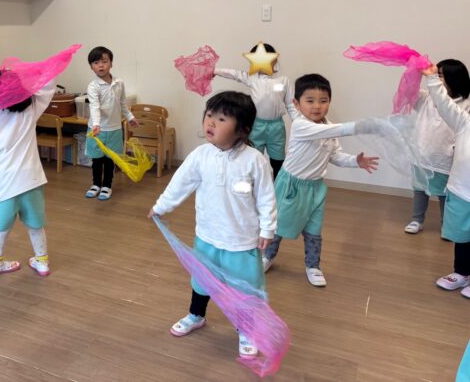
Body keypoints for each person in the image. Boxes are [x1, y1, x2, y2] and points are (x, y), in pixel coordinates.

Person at [148, 91, 276, 358]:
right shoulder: (200, 155)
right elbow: (180, 183)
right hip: (207, 236)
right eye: (209, 115)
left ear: (243, 129)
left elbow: (266, 197)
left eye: (221, 119)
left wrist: (267, 229)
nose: (211, 122)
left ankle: (246, 328)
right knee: (202, 280)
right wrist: (161, 206)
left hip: (241, 242)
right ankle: (197, 315)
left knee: (244, 287)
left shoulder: (255, 160)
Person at [262, 74, 379, 287]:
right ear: (296, 104)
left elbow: (335, 155)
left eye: (323, 100)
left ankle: (313, 266)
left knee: (314, 229)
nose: (317, 106)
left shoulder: (328, 127)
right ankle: (267, 256)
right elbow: (332, 131)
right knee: (278, 225)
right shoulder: (300, 125)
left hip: (315, 188)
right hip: (291, 185)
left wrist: (355, 161)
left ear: (329, 102)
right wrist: (359, 126)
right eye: (310, 100)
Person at [0, 71, 55, 276]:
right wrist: (32, 73)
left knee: (1, 227)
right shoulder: (28, 112)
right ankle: (42, 261)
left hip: (1, 184)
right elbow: (48, 86)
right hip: (30, 180)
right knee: (36, 224)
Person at [404, 60, 470, 235]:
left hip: (444, 159)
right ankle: (417, 220)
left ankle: (445, 224)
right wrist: (413, 73)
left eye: (439, 75)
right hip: (422, 155)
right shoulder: (426, 97)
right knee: (420, 190)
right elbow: (408, 93)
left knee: (444, 194)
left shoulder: (465, 105)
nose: (435, 78)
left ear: (453, 78)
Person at [214, 43, 297, 179]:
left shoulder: (283, 81)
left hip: (276, 128)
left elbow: (290, 104)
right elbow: (234, 74)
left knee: (278, 160)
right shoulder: (252, 79)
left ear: (274, 60)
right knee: (253, 158)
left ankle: (278, 187)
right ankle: (253, 185)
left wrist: (298, 122)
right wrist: (215, 71)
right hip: (256, 126)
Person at [424, 64, 470, 300]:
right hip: (461, 190)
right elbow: (444, 104)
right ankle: (461, 272)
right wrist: (433, 78)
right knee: (461, 237)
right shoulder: (464, 121)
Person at [84, 46, 137, 200]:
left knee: (110, 159)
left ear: (111, 63)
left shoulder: (119, 83)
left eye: (104, 61)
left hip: (114, 129)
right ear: (91, 67)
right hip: (96, 129)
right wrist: (97, 124)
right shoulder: (93, 86)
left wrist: (130, 117)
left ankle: (107, 186)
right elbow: (94, 106)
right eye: (96, 63)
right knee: (97, 159)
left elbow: (122, 103)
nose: (101, 65)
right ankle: (96, 184)